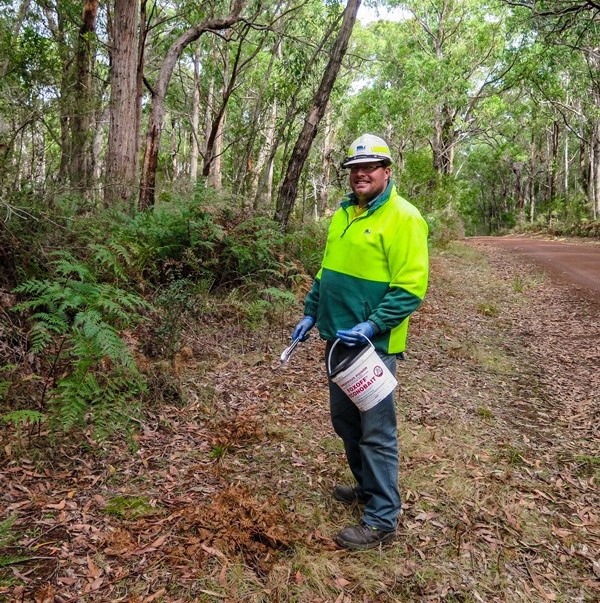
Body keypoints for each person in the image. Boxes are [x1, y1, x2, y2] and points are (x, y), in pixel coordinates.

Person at [292, 133, 429, 550]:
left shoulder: (405, 218)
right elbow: (326, 271)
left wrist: (373, 325)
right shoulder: (344, 214)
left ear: (387, 171)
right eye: (354, 168)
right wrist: (311, 310)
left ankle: (383, 519)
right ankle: (368, 488)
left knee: (376, 431)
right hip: (337, 342)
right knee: (345, 423)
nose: (361, 174)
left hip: (373, 349)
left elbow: (410, 287)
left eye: (370, 167)